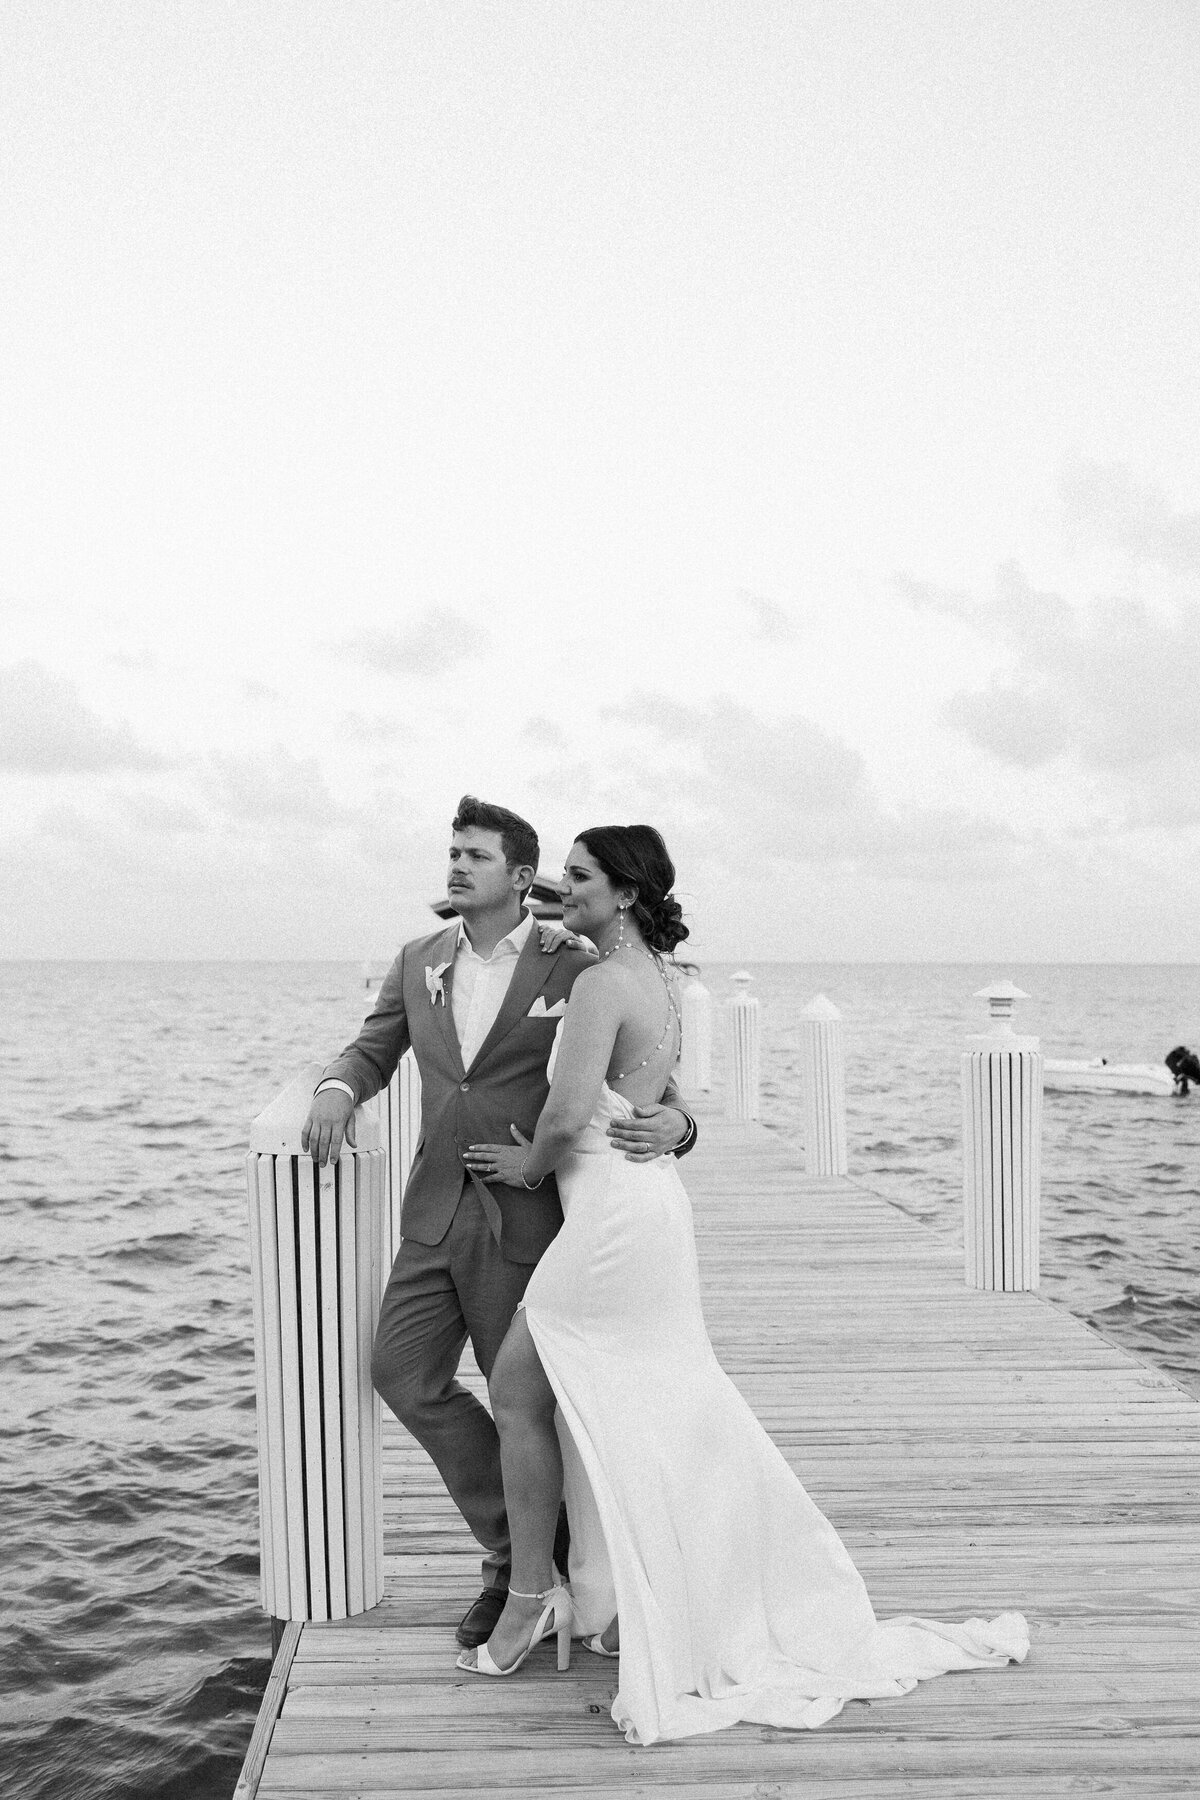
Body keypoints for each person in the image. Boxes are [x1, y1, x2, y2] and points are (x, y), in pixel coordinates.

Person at [457, 823, 1029, 1745]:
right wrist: (679, 1128)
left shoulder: (603, 983)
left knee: (525, 1390)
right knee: (650, 1402)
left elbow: (566, 1116)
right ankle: (617, 1596)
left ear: (628, 894)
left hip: (609, 1219)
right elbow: (666, 1091)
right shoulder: (665, 984)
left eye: (581, 876)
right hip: (648, 1209)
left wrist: (525, 1166)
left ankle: (540, 1598)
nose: (564, 888)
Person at [300, 797, 698, 1651]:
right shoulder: (419, 959)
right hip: (434, 1209)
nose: (455, 865)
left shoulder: (576, 962)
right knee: (401, 1374)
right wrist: (336, 1090)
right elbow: (373, 1049)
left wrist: (684, 1125)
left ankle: (516, 1579)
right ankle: (519, 1551)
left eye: (475, 855)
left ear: (523, 878)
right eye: (452, 851)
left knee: (520, 1397)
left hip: (530, 1215)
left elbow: (648, 1079)